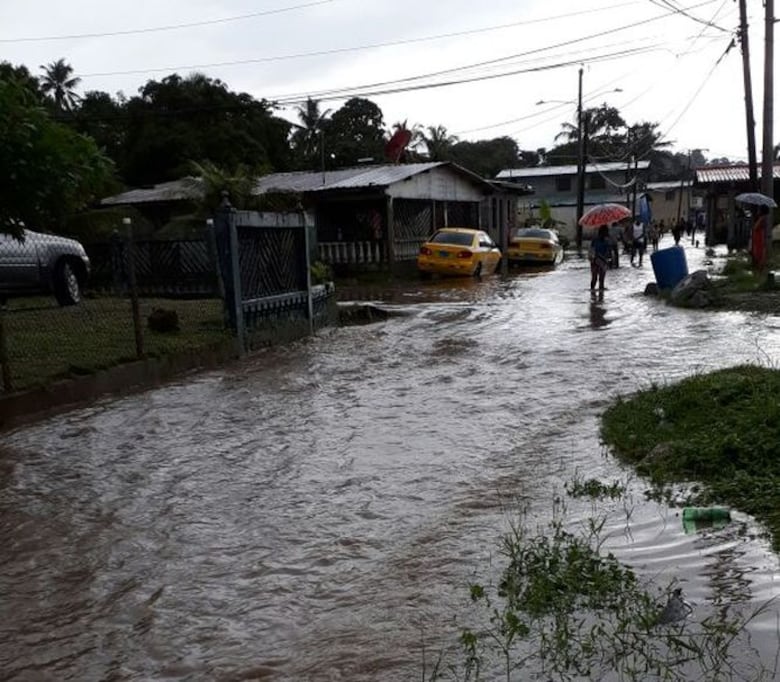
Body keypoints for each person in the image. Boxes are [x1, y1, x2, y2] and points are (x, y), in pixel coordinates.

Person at [589, 224, 611, 290]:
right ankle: (592, 293)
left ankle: (599, 296)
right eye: (605, 232)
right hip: (595, 260)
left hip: (602, 260)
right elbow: (592, 250)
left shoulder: (606, 241)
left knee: (601, 279)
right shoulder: (595, 240)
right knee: (595, 278)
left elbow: (608, 252)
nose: (606, 233)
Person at [751, 205, 769, 269]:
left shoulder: (762, 218)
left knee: (760, 252)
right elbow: (756, 227)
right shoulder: (762, 218)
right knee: (760, 251)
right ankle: (759, 266)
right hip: (759, 236)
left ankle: (760, 266)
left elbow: (755, 227)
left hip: (760, 236)